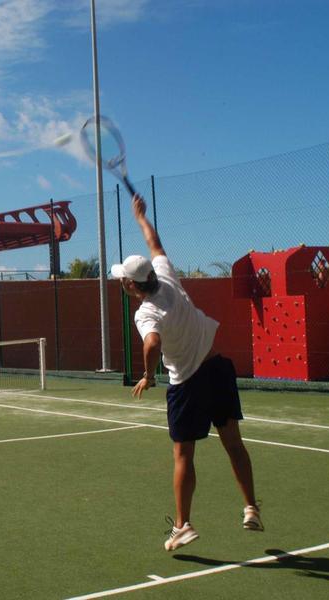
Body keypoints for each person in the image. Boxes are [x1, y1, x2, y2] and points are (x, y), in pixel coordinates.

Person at [111, 195, 262, 552]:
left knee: (183, 456)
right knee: (233, 443)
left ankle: (182, 526)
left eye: (122, 279)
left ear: (131, 285)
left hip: (188, 385)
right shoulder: (166, 276)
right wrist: (141, 217)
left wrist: (148, 375)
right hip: (218, 369)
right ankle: (251, 508)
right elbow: (155, 243)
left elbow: (151, 343)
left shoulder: (146, 313)